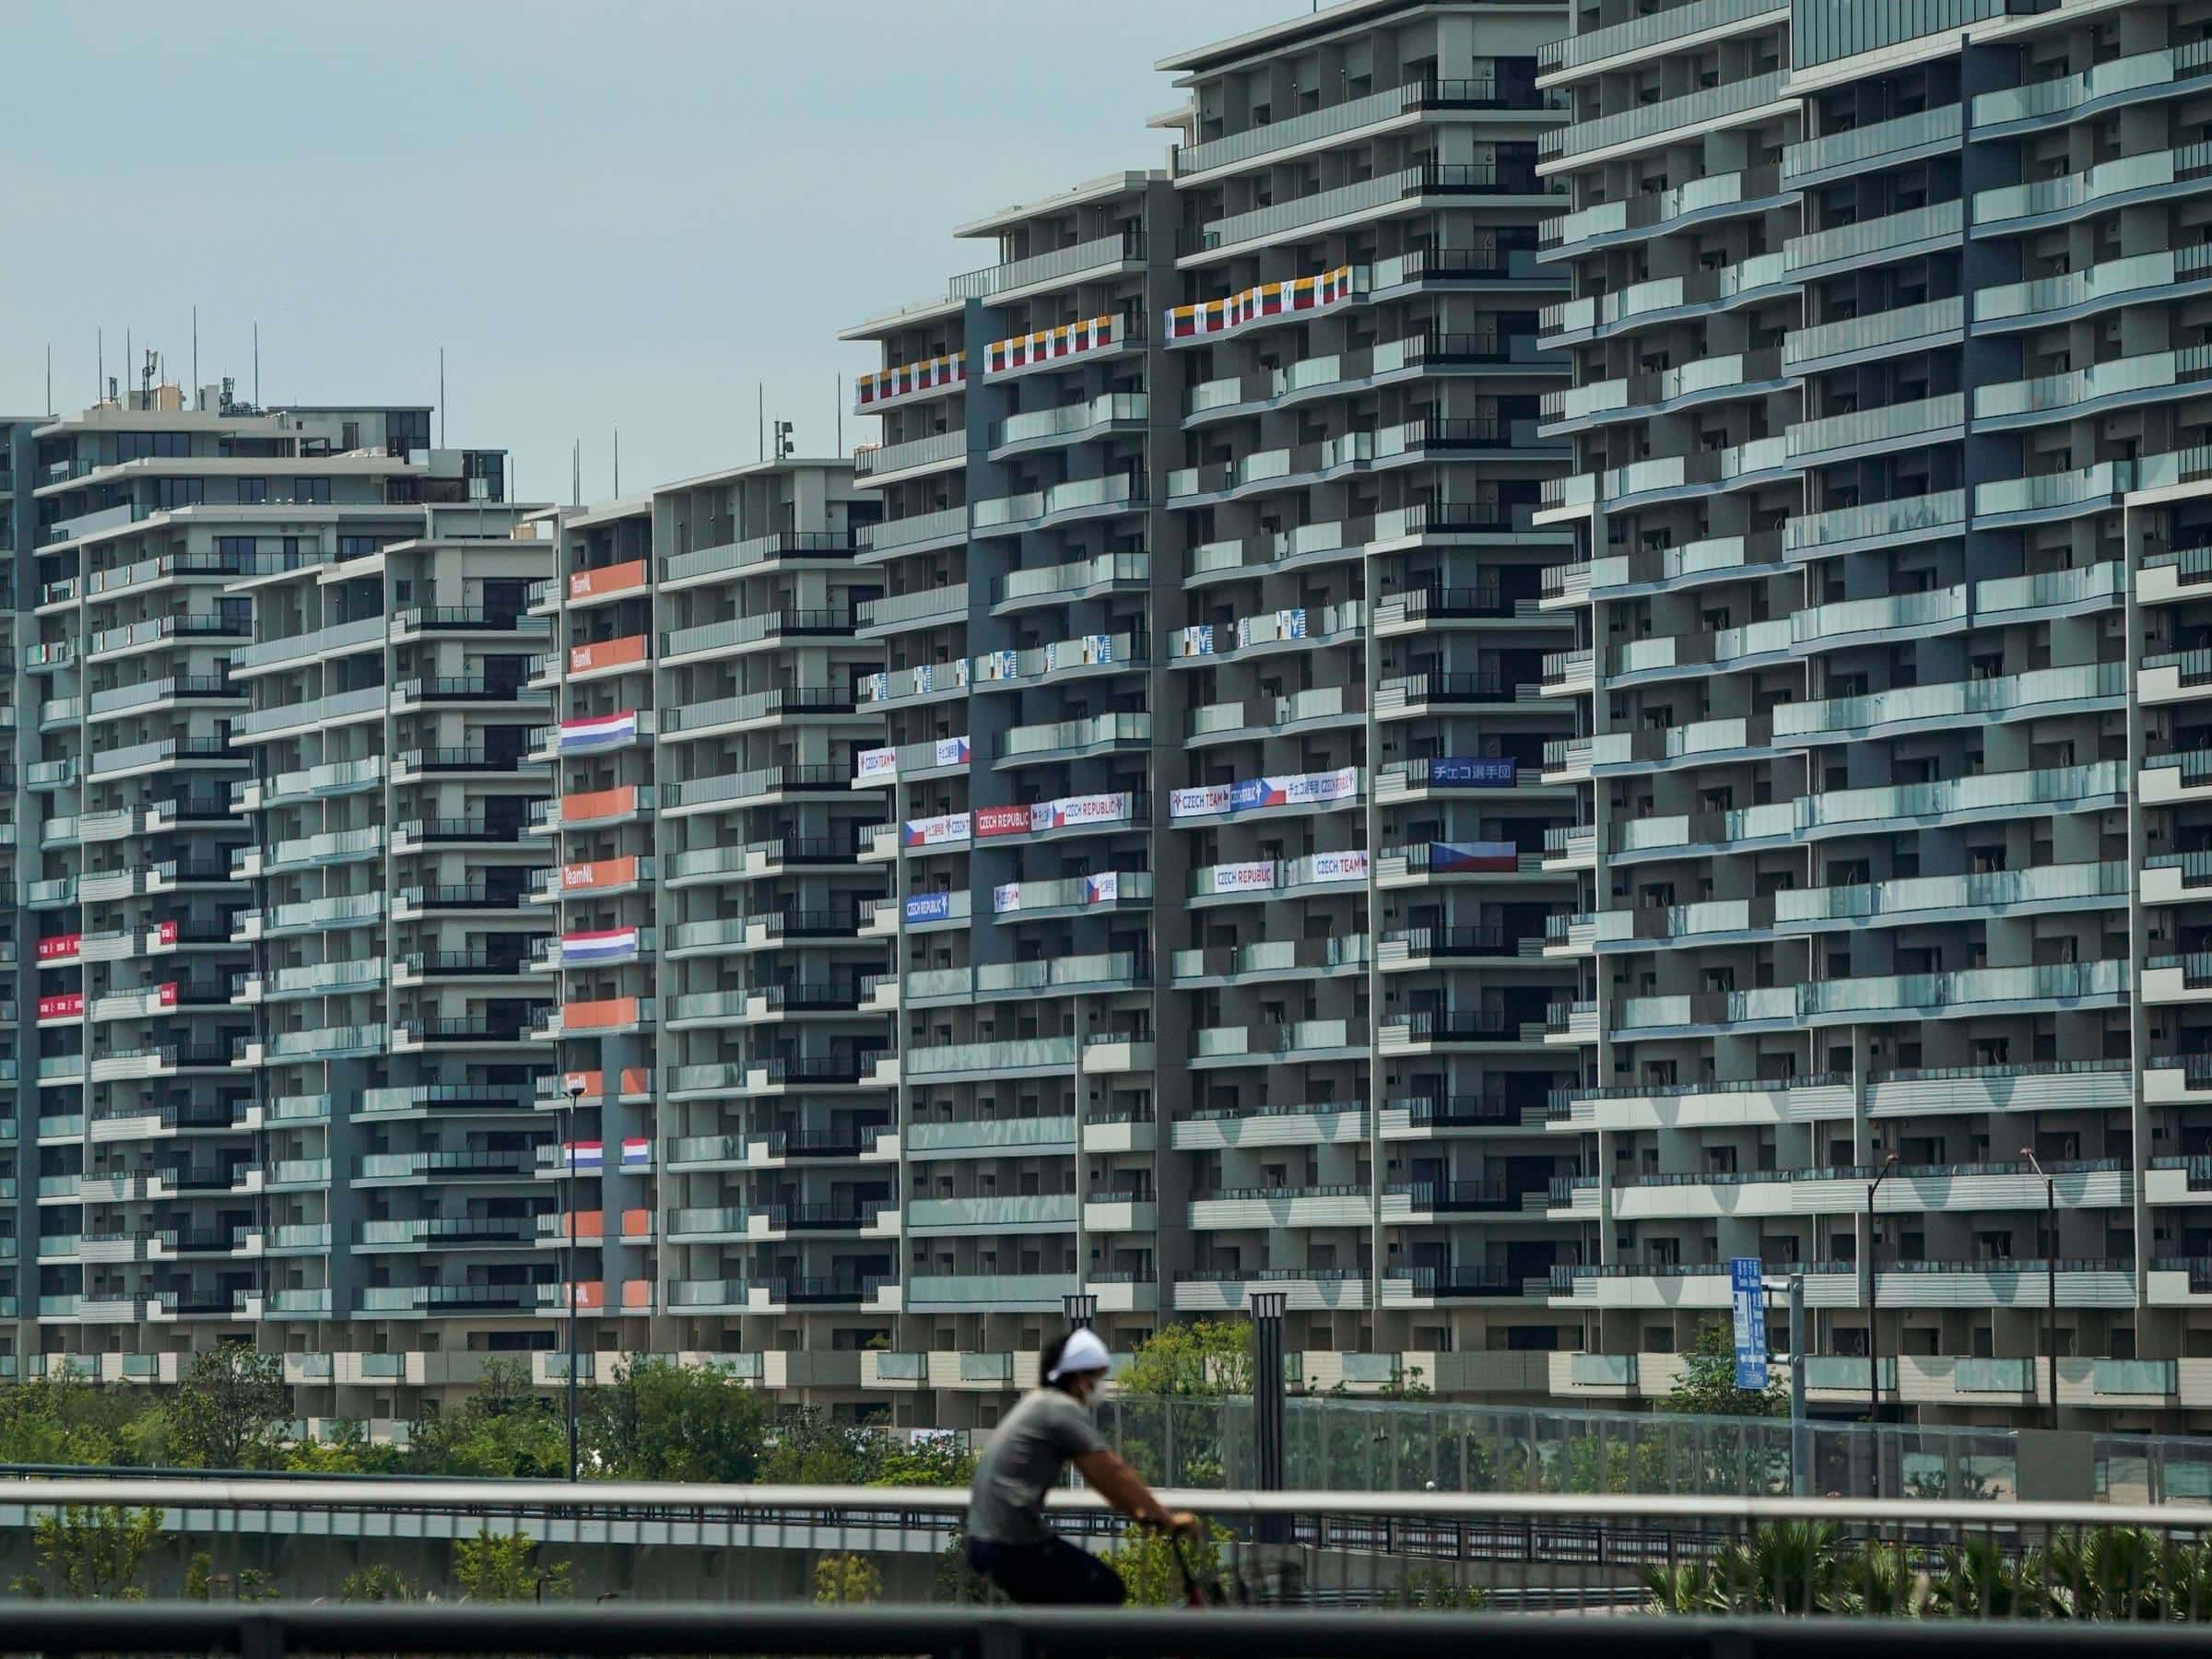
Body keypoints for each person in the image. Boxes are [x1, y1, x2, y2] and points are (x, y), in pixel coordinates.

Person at [965, 1326, 1200, 1605]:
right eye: (1097, 1378)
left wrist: (1140, 1514)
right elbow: (1111, 1471)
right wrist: (1165, 1518)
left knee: (1063, 1603)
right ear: (1078, 1378)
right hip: (1010, 1540)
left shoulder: (1039, 1403)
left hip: (988, 1537)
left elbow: (1100, 1479)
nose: (1101, 1386)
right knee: (1105, 1589)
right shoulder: (1060, 1409)